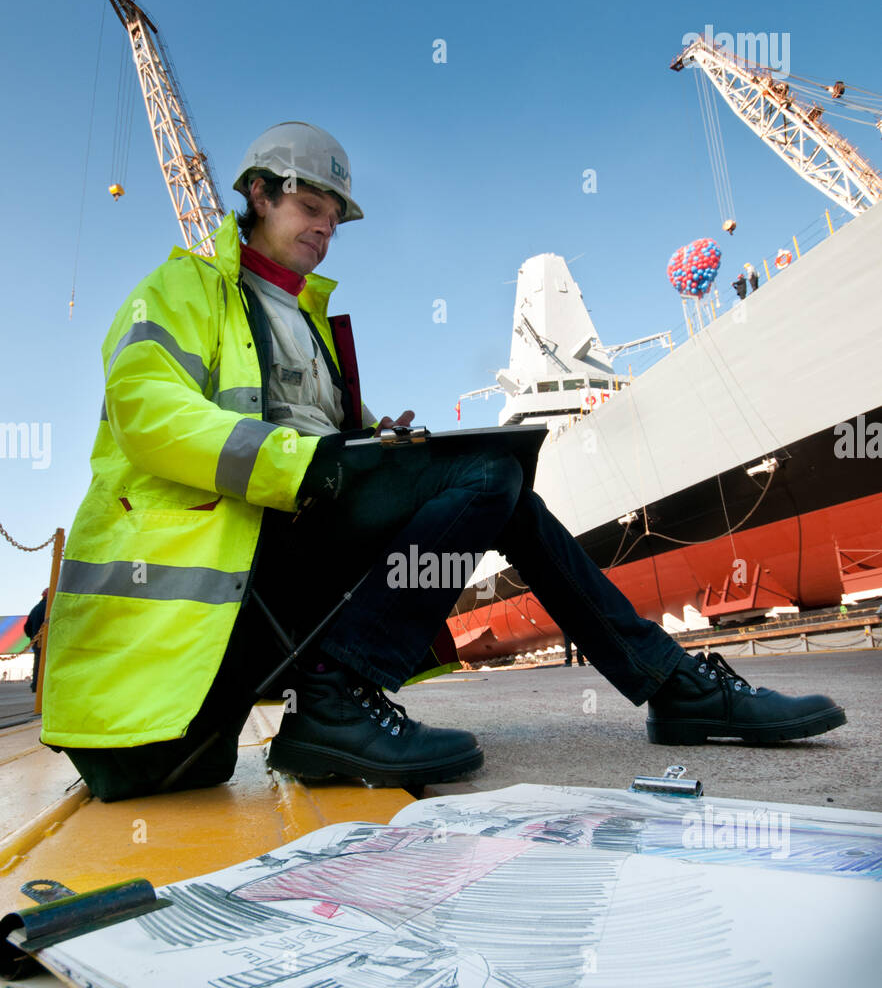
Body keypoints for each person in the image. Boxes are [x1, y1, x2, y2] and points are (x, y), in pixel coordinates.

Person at [40, 122, 847, 801]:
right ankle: (343, 695)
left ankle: (670, 689)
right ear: (256, 194)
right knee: (494, 477)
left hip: (278, 552)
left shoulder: (307, 324)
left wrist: (366, 438)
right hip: (215, 590)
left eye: (334, 217)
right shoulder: (181, 290)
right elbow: (150, 417)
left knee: (497, 482)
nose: (323, 227)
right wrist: (313, 463)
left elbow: (312, 432)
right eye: (309, 206)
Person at [23, 589, 48, 693]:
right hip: (47, 641)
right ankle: (44, 686)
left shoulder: (35, 609)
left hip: (37, 641)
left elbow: (26, 627)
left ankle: (36, 686)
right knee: (47, 664)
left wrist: (33, 637)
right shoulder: (50, 607)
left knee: (38, 664)